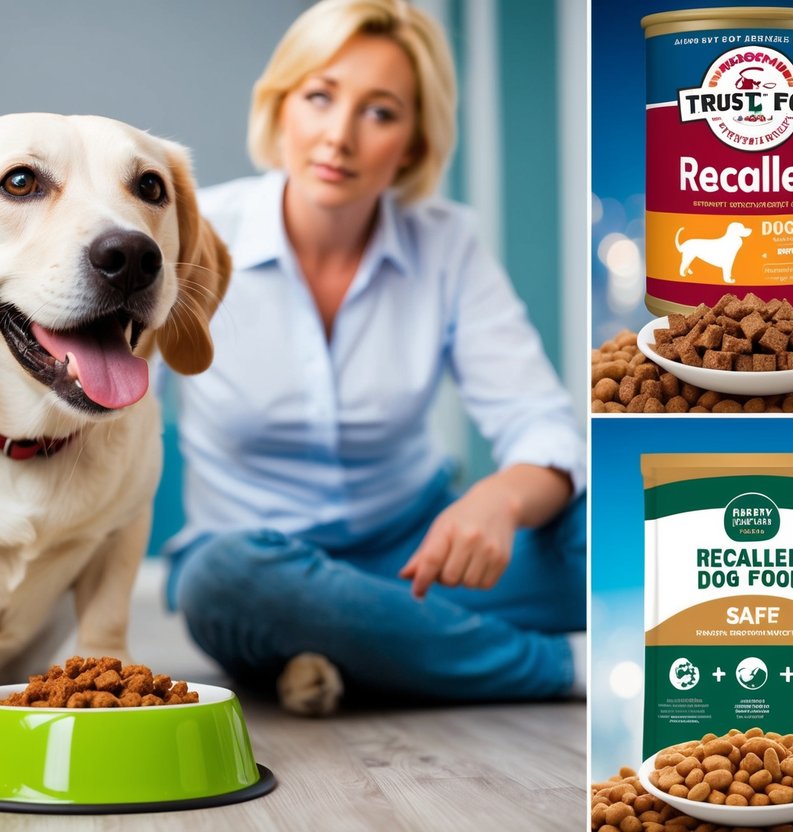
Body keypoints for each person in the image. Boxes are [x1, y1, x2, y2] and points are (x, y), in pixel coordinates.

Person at [162, 0, 586, 716]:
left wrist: (498, 498)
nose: (338, 136)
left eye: (380, 112)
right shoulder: (193, 233)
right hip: (259, 569)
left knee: (611, 530)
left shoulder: (447, 243)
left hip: (415, 561)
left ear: (415, 142)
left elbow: (539, 423)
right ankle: (559, 664)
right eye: (319, 97)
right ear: (281, 107)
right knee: (224, 580)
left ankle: (368, 645)